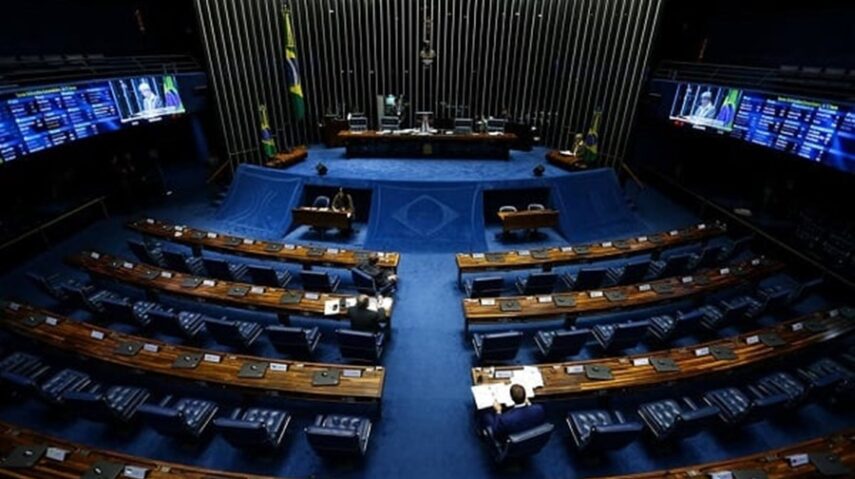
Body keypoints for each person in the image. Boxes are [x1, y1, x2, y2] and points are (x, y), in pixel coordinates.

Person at [480, 384, 546, 441]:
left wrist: (498, 411)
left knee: (486, 414)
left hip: (512, 439)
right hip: (531, 436)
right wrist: (529, 404)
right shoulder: (539, 408)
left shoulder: (505, 419)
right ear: (525, 397)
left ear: (512, 399)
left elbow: (495, 430)